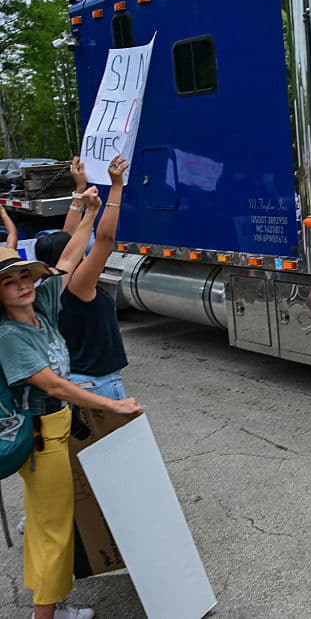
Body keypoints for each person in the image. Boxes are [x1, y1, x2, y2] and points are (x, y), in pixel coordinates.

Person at [0, 186, 142, 619]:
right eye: (10, 282)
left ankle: (52, 605)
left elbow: (68, 258)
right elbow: (54, 386)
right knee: (53, 530)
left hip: (56, 431)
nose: (23, 285)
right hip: (42, 437)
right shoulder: (9, 335)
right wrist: (111, 406)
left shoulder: (40, 305)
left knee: (48, 524)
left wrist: (90, 210)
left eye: (25, 277)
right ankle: (47, 614)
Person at [33, 156, 130, 399]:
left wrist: (79, 190)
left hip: (77, 380)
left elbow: (69, 238)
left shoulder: (51, 285)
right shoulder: (79, 286)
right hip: (99, 385)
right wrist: (116, 187)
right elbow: (105, 240)